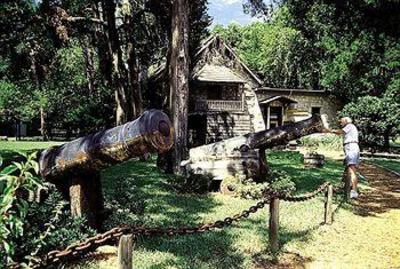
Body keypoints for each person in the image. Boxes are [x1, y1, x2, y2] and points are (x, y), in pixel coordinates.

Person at [325, 117, 360, 199]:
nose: (341, 124)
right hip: (350, 147)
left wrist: (329, 130)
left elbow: (340, 132)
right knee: (348, 169)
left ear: (346, 121)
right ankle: (346, 187)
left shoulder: (349, 125)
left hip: (351, 147)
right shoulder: (351, 127)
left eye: (341, 122)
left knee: (352, 169)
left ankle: (354, 191)